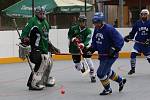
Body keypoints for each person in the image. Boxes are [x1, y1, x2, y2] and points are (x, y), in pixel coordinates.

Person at [20, 6, 60, 90]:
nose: (42, 15)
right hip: (36, 48)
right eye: (40, 13)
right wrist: (24, 38)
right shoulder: (32, 21)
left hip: (44, 48)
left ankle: (43, 81)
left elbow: (46, 38)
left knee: (49, 63)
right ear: (36, 14)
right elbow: (25, 32)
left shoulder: (45, 22)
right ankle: (34, 83)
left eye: (43, 13)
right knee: (42, 62)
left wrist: (52, 47)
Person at [88, 12, 126, 95]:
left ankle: (108, 89)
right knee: (107, 71)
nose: (96, 24)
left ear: (101, 21)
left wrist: (115, 49)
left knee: (100, 73)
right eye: (94, 23)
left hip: (110, 56)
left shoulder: (109, 29)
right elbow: (95, 42)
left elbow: (120, 40)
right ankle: (120, 80)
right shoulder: (96, 29)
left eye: (97, 22)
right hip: (102, 55)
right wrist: (90, 50)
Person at [68, 15, 96, 83]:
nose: (82, 23)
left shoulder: (88, 31)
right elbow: (69, 35)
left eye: (83, 21)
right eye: (80, 21)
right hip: (74, 48)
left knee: (89, 61)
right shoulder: (73, 28)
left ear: (85, 22)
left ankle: (92, 75)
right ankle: (81, 66)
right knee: (78, 67)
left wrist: (83, 44)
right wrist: (72, 39)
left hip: (83, 48)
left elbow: (88, 39)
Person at [124, 9, 150, 75]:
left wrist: (148, 40)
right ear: (140, 15)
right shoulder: (137, 23)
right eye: (142, 14)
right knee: (133, 54)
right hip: (138, 43)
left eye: (145, 14)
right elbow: (133, 32)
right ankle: (133, 69)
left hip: (147, 45)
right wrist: (129, 37)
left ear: (147, 15)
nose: (143, 15)